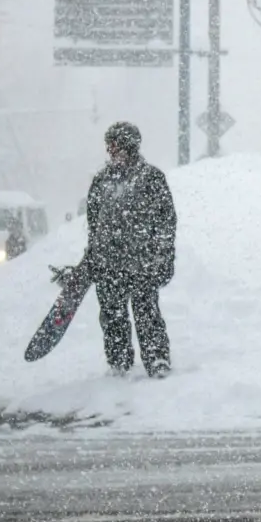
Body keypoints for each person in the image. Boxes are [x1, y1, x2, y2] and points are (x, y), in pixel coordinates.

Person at [83, 121, 177, 378]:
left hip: (142, 264)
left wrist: (164, 256)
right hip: (108, 264)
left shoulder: (151, 178)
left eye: (114, 145)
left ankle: (157, 360)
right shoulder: (101, 180)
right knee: (112, 316)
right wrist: (93, 254)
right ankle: (119, 362)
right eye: (109, 146)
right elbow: (94, 222)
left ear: (129, 146)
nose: (110, 151)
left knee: (147, 314)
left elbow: (166, 220)